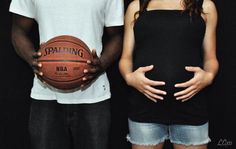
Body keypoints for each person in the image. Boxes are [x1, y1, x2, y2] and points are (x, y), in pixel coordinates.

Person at [9, 0, 123, 149]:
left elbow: (117, 36)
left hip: (94, 96)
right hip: (45, 95)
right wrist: (32, 59)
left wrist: (102, 64)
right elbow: (18, 29)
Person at [119, 0, 218, 148]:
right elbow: (125, 58)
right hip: (145, 107)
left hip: (190, 107)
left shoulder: (205, 6)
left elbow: (211, 59)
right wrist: (129, 77)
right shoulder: (137, 6)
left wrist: (208, 76)